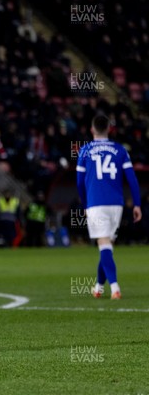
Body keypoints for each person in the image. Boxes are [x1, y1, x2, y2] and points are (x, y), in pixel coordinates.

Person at [76, 114, 142, 300]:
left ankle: (115, 288)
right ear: (109, 129)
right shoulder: (120, 150)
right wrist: (136, 204)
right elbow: (132, 179)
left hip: (96, 203)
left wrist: (84, 203)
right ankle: (98, 287)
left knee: (103, 244)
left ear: (92, 129)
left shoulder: (85, 151)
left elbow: (80, 182)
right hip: (117, 204)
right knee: (106, 246)